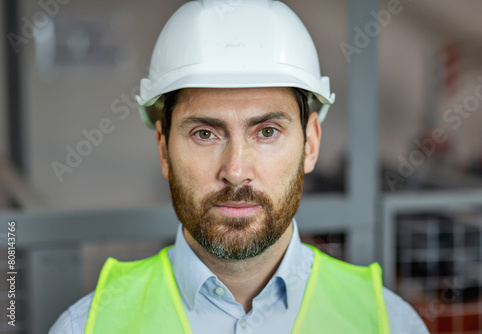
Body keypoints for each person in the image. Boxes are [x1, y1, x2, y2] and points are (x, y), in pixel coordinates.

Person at [50, 0, 429, 333]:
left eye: (266, 131)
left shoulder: (391, 324)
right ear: (164, 149)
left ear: (311, 144)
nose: (235, 170)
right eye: (204, 134)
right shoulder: (84, 328)